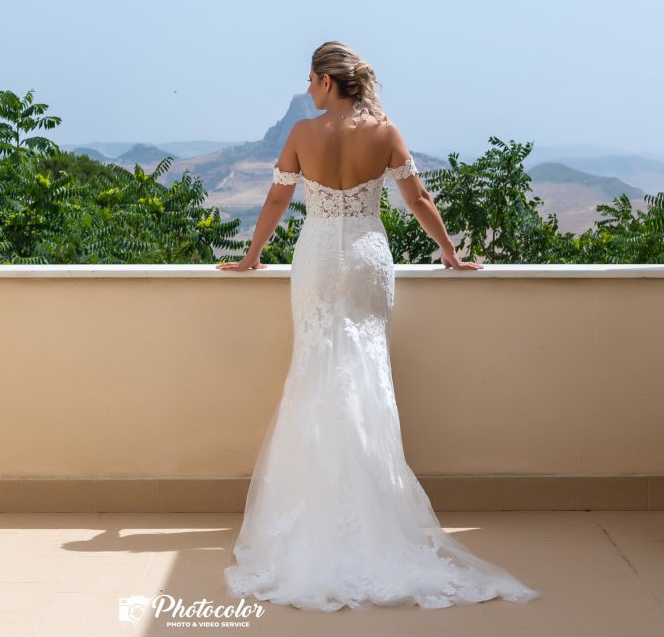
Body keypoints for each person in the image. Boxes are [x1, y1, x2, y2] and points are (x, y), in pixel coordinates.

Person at [215, 41, 541, 611]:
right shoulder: (385, 132)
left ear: (325, 81)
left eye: (310, 79)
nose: (308, 88)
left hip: (319, 259)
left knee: (316, 369)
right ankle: (374, 515)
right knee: (365, 370)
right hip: (367, 257)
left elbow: (275, 201)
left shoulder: (302, 133)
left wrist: (250, 257)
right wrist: (449, 253)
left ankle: (314, 515)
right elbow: (418, 197)